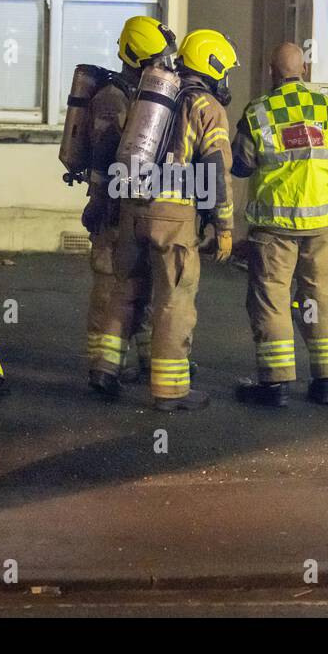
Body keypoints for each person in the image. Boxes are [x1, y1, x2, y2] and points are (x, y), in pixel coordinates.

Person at [97, 29, 238, 412]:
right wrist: (223, 226)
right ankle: (170, 391)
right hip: (172, 220)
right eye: (224, 71)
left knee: (127, 290)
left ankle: (104, 368)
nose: (225, 80)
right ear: (211, 66)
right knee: (174, 301)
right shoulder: (206, 107)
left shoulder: (153, 94)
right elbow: (215, 171)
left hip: (131, 210)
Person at [232, 42, 328, 407]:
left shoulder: (258, 113)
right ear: (305, 70)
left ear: (272, 71)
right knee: (321, 299)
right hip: (320, 228)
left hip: (275, 228)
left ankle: (276, 385)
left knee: (272, 300)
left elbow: (240, 164)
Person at [82, 16, 175, 399]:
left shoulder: (145, 94)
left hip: (138, 206)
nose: (164, 66)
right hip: (111, 209)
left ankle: (149, 359)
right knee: (109, 286)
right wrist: (101, 202)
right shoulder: (111, 98)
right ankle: (101, 366)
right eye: (157, 59)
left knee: (145, 285)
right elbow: (104, 155)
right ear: (137, 57)